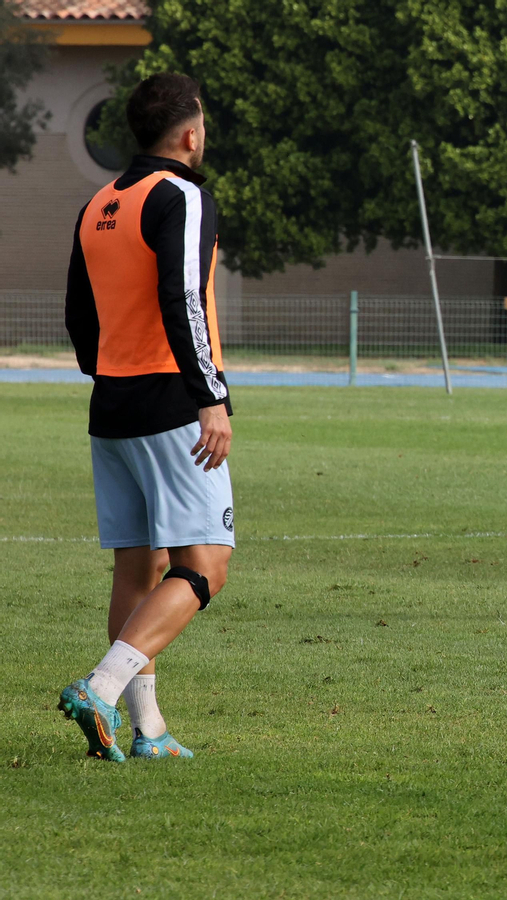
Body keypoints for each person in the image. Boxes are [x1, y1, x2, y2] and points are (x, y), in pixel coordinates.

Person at [59, 73, 234, 762]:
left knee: (138, 569)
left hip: (113, 404)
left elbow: (79, 314)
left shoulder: (99, 201)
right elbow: (183, 298)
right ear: (189, 133)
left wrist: (110, 374)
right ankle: (101, 688)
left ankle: (147, 731)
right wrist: (209, 394)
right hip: (171, 403)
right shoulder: (183, 196)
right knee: (206, 567)